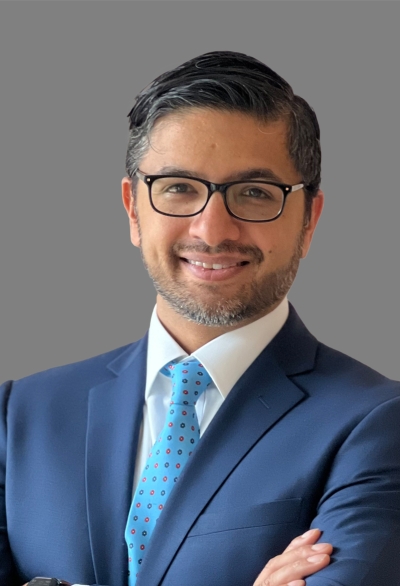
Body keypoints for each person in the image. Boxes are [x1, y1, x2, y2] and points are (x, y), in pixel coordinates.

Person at [1, 50, 400, 586]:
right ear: (133, 209)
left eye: (255, 194)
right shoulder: (19, 415)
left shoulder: (379, 424)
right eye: (179, 188)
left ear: (309, 220)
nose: (212, 230)